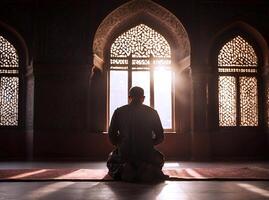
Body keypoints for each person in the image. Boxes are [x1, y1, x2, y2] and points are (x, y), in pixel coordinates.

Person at [107, 86, 168, 182]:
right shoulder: (152, 112)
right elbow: (160, 137)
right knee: (159, 159)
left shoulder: (119, 112)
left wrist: (121, 144)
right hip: (146, 153)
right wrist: (149, 143)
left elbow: (111, 135)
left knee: (111, 161)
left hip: (125, 153)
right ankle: (146, 168)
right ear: (143, 98)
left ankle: (124, 168)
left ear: (129, 97)